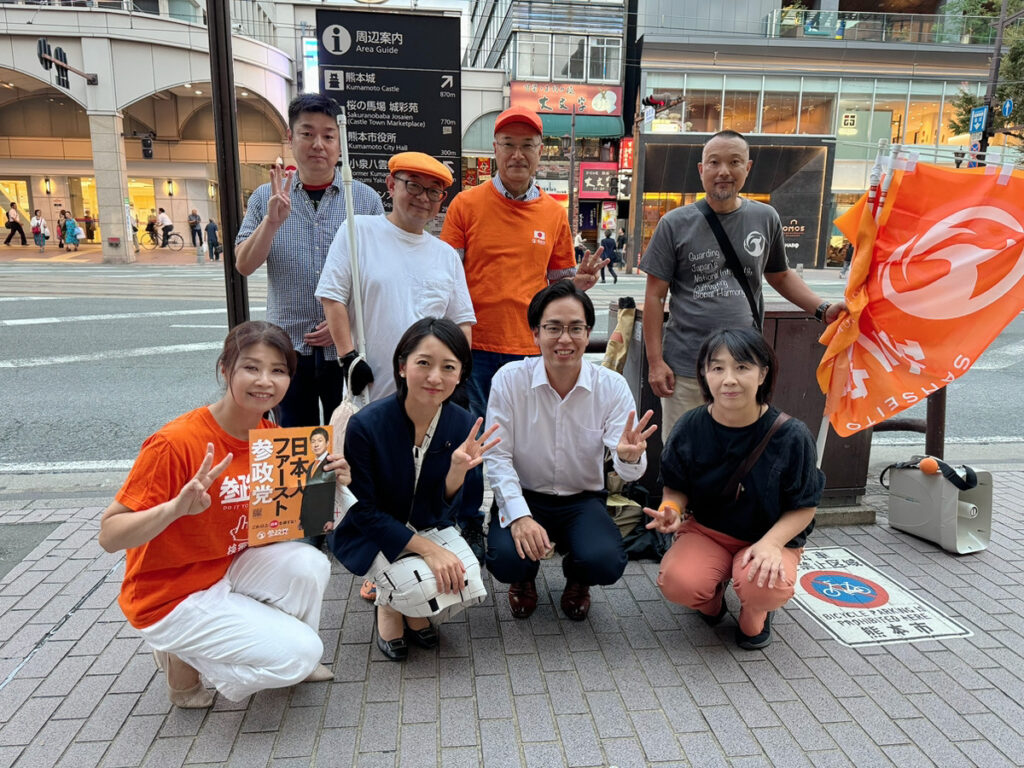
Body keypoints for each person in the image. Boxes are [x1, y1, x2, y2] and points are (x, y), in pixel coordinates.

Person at [97, 321, 344, 707]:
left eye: (278, 370)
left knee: (309, 563)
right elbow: (109, 536)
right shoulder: (175, 443)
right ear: (225, 369)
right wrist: (174, 509)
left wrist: (327, 485)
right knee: (301, 653)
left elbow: (280, 526)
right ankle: (184, 658)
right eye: (251, 367)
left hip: (224, 568)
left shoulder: (269, 436)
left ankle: (286, 656)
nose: (265, 381)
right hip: (167, 595)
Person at [439, 105, 605, 545]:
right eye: (508, 145)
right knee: (474, 436)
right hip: (475, 347)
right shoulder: (465, 204)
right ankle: (469, 519)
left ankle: (519, 513)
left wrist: (578, 284)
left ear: (540, 152)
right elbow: (445, 276)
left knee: (526, 439)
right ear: (494, 149)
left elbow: (558, 282)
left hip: (533, 349)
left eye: (527, 145)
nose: (517, 154)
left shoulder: (553, 212)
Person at [642, 129, 846, 439]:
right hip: (686, 365)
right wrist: (655, 362)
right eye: (714, 163)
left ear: (747, 168)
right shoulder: (674, 223)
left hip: (744, 363)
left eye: (734, 162)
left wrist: (822, 309)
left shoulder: (765, 217)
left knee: (740, 450)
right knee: (684, 450)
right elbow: (655, 297)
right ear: (701, 169)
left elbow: (780, 274)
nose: (723, 171)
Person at [484, 281, 656, 621]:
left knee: (605, 561)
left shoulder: (611, 387)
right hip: (526, 494)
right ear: (535, 333)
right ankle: (523, 578)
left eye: (576, 328)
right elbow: (497, 457)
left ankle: (578, 578)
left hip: (582, 499)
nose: (565, 339)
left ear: (588, 333)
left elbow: (629, 469)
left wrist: (629, 457)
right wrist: (518, 516)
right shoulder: (509, 380)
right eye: (553, 328)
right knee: (505, 558)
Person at [330, 318, 499, 661]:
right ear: (402, 366)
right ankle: (388, 606)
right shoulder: (367, 425)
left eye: (448, 367)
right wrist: (429, 551)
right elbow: (363, 512)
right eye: (424, 363)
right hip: (371, 532)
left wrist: (457, 471)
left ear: (460, 375)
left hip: (423, 522)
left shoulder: (463, 424)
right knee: (420, 582)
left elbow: (445, 510)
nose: (435, 377)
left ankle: (406, 603)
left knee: (467, 576)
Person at [644, 328, 823, 650]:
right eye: (717, 368)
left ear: (762, 374)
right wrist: (671, 510)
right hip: (708, 532)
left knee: (765, 586)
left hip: (768, 537)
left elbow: (805, 506)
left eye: (742, 367)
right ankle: (712, 603)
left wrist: (772, 543)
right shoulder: (690, 426)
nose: (729, 379)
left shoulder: (792, 436)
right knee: (679, 582)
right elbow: (675, 488)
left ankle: (755, 613)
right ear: (704, 373)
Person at [236, 93, 385, 428]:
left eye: (328, 136)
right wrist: (271, 222)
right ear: (291, 138)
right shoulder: (265, 197)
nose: (318, 144)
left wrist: (342, 320)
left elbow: (379, 272)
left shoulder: (363, 199)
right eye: (307, 133)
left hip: (346, 349)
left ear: (339, 144)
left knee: (348, 435)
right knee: (293, 438)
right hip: (286, 347)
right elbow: (244, 265)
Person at [317, 151, 475, 404]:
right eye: (413, 185)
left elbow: (461, 322)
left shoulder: (446, 255)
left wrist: (459, 374)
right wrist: (348, 357)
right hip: (370, 391)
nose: (423, 197)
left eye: (434, 191)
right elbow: (332, 297)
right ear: (391, 185)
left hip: (428, 396)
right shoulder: (358, 231)